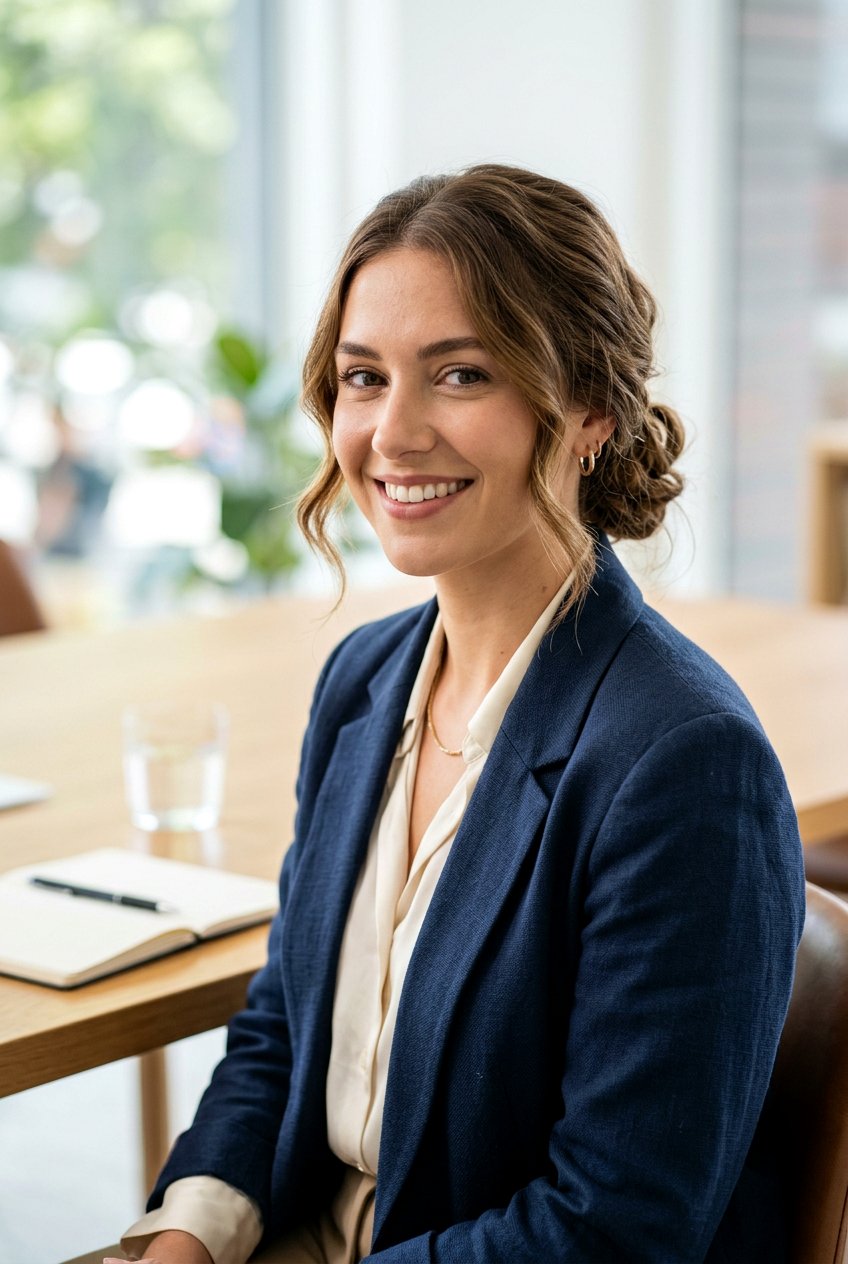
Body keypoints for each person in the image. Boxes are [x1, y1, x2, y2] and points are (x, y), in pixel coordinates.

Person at [109, 165, 804, 1264]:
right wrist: (184, 1239)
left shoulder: (680, 760)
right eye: (362, 378)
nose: (392, 432)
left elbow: (614, 1227)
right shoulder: (363, 684)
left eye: (459, 374)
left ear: (588, 409)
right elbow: (283, 1031)